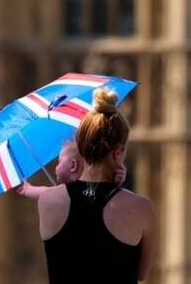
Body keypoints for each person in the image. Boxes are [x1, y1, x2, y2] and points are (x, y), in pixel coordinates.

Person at [37, 87, 155, 283]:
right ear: (118, 152)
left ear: (81, 147)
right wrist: (117, 189)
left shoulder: (47, 201)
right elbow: (140, 274)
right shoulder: (142, 208)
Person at [16, 141, 127, 199]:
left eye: (59, 162)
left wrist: (28, 189)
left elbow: (44, 192)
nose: (56, 167)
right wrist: (115, 183)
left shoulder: (67, 191)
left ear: (73, 165)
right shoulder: (92, 187)